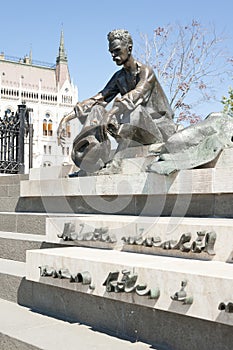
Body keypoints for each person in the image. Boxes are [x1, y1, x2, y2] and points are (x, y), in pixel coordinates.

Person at [57, 29, 176, 175]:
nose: (114, 56)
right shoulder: (119, 77)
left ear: (129, 48)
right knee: (97, 109)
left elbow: (136, 95)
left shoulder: (146, 72)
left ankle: (116, 163)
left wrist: (112, 113)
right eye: (111, 52)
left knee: (135, 110)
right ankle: (88, 163)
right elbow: (99, 98)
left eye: (117, 50)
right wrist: (66, 118)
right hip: (136, 129)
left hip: (159, 130)